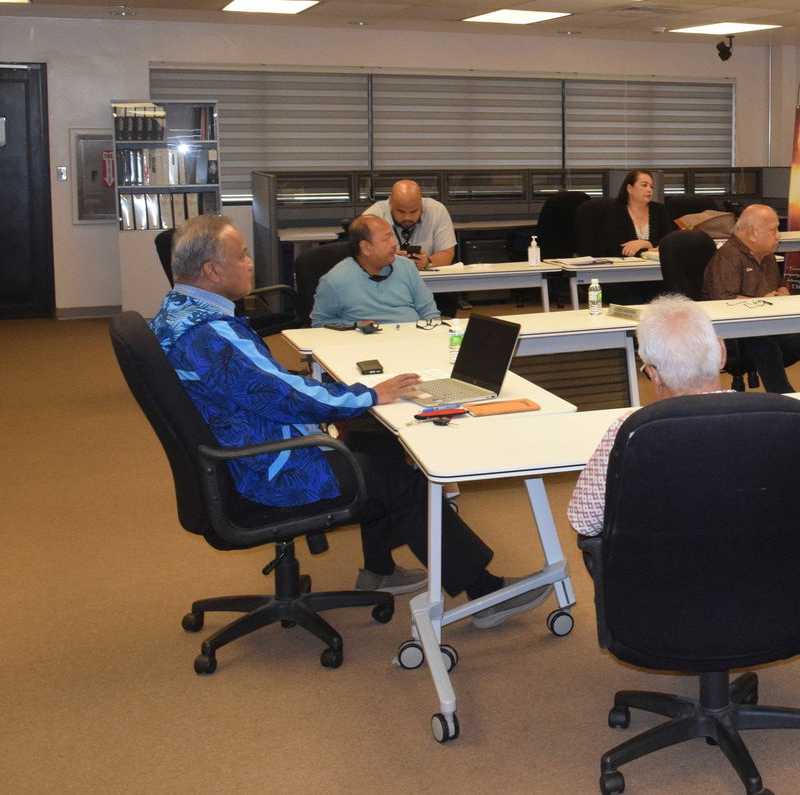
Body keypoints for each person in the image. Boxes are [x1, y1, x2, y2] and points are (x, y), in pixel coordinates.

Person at [152, 215, 546, 628]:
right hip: (269, 471)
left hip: (238, 455)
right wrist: (371, 394)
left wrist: (357, 399)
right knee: (403, 480)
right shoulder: (211, 334)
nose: (251, 263)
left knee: (377, 446)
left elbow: (266, 386)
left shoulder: (177, 314)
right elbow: (287, 396)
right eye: (242, 256)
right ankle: (485, 594)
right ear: (212, 270)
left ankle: (379, 569)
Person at [568, 295, 728, 535]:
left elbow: (583, 520)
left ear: (654, 374)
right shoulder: (780, 419)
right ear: (722, 351)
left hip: (665, 556)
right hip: (764, 555)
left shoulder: (631, 430)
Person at [702, 204, 800, 394]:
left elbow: (779, 284)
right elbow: (722, 302)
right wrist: (763, 301)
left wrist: (783, 294)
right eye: (774, 230)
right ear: (752, 233)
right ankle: (786, 401)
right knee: (766, 348)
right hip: (736, 332)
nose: (779, 235)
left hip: (767, 324)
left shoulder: (766, 254)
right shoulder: (728, 257)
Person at [310, 214, 441, 326]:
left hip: (412, 339)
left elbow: (429, 311)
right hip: (365, 344)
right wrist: (356, 326)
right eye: (386, 238)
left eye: (392, 236)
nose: (394, 243)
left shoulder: (406, 266)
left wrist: (431, 334)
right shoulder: (335, 281)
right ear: (365, 247)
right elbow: (319, 323)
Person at [364, 179, 456, 271]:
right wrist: (388, 261)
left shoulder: (437, 211)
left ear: (421, 201)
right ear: (390, 202)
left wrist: (428, 261)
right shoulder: (372, 217)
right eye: (401, 211)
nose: (407, 218)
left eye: (413, 211)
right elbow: (363, 259)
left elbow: (447, 253)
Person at [605, 169, 672, 259]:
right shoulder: (616, 211)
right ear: (630, 189)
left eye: (651, 186)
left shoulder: (659, 210)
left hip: (656, 265)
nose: (649, 190)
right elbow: (618, 248)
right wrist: (651, 249)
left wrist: (644, 243)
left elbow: (668, 242)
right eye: (644, 185)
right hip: (625, 265)